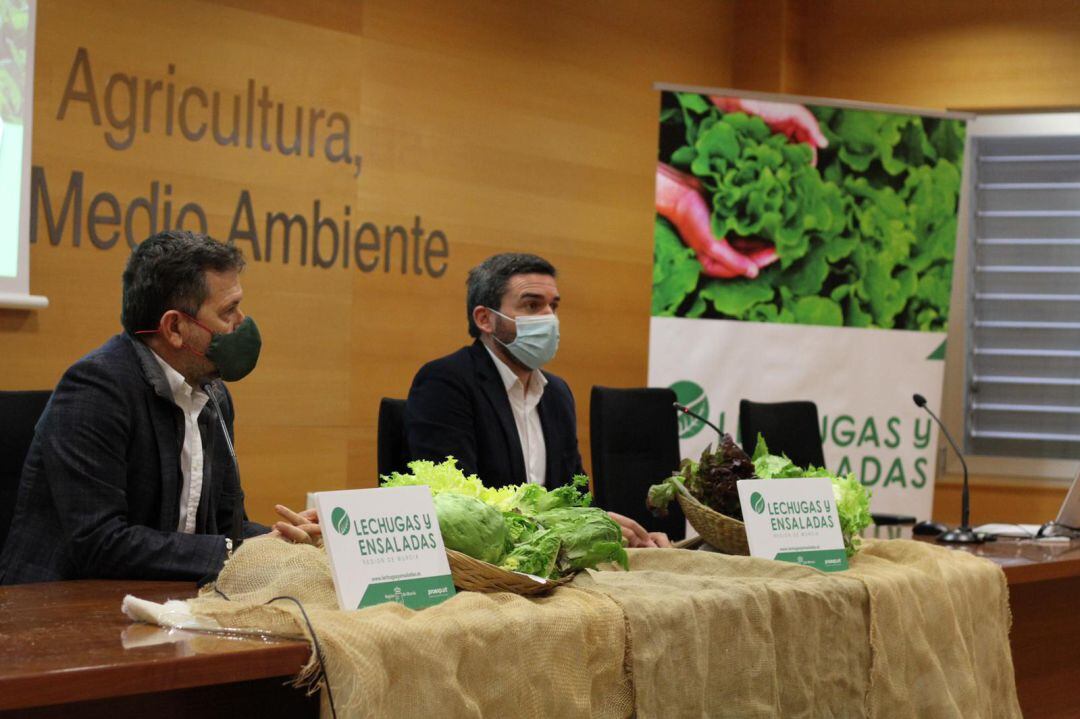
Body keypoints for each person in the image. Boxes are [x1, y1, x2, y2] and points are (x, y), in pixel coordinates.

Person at [0, 231, 318, 585]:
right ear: (175, 327)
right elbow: (100, 544)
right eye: (228, 310)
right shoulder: (95, 390)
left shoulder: (213, 395)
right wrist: (240, 551)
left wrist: (283, 541)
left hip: (162, 605)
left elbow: (225, 530)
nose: (242, 322)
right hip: (56, 614)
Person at [406, 252, 669, 548]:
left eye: (552, 306)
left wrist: (621, 535)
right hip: (486, 568)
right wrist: (561, 531)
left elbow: (575, 497)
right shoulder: (445, 382)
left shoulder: (557, 393)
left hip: (554, 564)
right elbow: (461, 510)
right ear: (485, 319)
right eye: (532, 305)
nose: (549, 317)